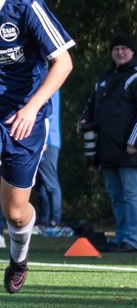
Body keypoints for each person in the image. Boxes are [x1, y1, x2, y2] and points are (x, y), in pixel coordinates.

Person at [0, 0, 75, 292]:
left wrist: (31, 108)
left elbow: (63, 62)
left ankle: (19, 256)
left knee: (16, 212)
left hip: (22, 118)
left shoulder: (25, 4)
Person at [79, 32, 137, 253]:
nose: (120, 52)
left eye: (124, 48)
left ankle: (132, 240)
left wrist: (134, 141)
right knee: (116, 196)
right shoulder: (105, 78)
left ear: (133, 51)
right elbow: (91, 104)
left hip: (130, 150)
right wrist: (84, 121)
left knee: (132, 194)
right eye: (116, 49)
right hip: (107, 149)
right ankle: (121, 237)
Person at [34, 89, 70, 236]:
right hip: (43, 140)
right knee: (41, 184)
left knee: (50, 183)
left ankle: (55, 221)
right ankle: (43, 221)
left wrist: (44, 139)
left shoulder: (49, 84)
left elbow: (47, 114)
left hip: (48, 141)